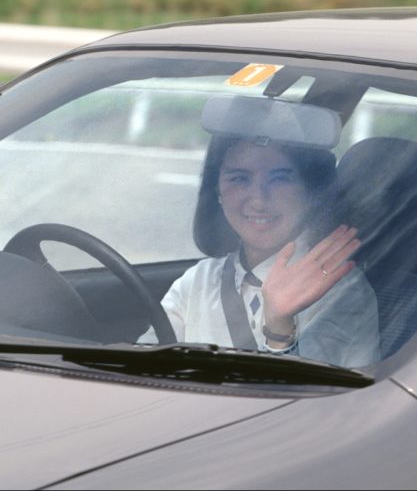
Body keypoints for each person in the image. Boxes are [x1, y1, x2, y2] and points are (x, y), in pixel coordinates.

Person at [140, 136, 380, 368]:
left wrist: (279, 328)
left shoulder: (339, 288)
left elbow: (304, 401)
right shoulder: (198, 280)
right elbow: (145, 366)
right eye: (239, 179)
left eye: (280, 179)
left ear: (309, 191)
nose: (259, 201)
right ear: (218, 192)